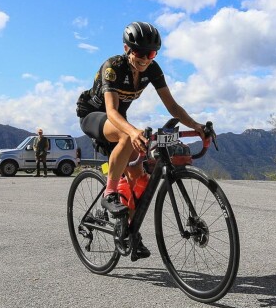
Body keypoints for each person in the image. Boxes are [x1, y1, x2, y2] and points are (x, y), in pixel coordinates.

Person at [76, 21, 205, 260]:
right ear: (127, 49)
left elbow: (173, 106)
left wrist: (196, 126)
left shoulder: (153, 70)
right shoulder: (112, 67)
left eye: (152, 53)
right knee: (127, 134)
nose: (145, 58)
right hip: (94, 115)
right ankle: (110, 193)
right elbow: (112, 112)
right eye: (139, 53)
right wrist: (133, 132)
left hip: (118, 120)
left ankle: (128, 233)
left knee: (140, 179)